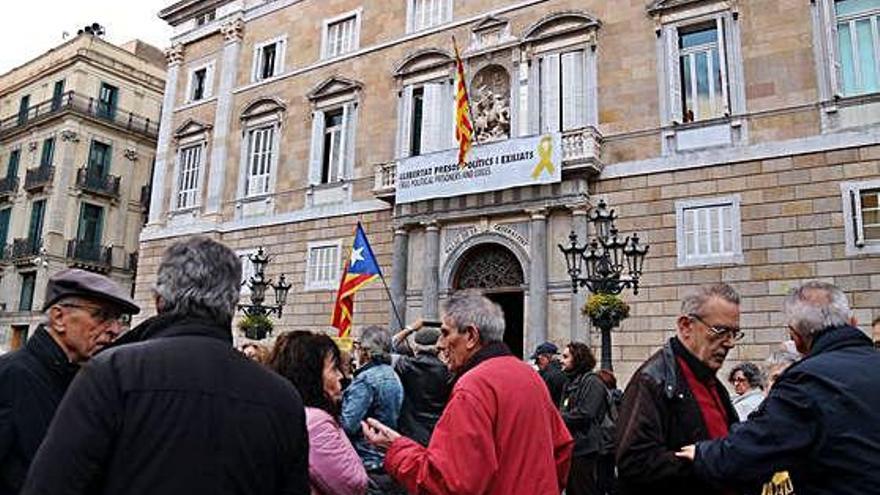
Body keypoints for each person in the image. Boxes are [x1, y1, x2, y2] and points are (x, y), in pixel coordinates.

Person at [22, 237, 310, 495]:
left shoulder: (112, 373)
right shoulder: (283, 397)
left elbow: (52, 483)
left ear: (160, 300)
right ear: (232, 305)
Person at [677, 281, 880, 495]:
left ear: (797, 339)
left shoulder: (806, 381)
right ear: (853, 322)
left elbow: (757, 445)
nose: (729, 343)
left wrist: (703, 453)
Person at [361, 291, 574, 495]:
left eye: (445, 333)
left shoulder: (474, 386)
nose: (441, 344)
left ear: (471, 336)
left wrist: (396, 450)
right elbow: (562, 447)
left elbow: (451, 483)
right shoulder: (530, 376)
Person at [0, 269, 138, 494]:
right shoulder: (10, 376)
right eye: (102, 315)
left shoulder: (89, 381)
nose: (115, 329)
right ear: (59, 318)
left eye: (119, 319)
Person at [616, 283, 741, 495]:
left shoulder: (711, 381)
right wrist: (703, 460)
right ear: (686, 326)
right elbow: (634, 463)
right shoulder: (652, 380)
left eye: (734, 333)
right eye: (720, 331)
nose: (729, 343)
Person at [269, 331, 368, 495]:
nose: (340, 377)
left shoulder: (281, 412)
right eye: (334, 368)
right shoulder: (315, 422)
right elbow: (354, 482)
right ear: (310, 375)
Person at [340, 325, 404, 494]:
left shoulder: (366, 380)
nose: (356, 351)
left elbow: (348, 424)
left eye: (358, 346)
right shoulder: (392, 374)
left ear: (366, 351)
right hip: (387, 459)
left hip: (366, 461)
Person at [392, 320, 451, 446]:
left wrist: (410, 328)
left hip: (409, 433)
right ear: (438, 346)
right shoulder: (449, 371)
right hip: (437, 435)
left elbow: (390, 345)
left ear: (415, 346)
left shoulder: (404, 365)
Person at [560, 342, 607, 495]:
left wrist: (557, 417)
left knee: (583, 489)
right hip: (573, 448)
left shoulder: (592, 382)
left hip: (586, 449)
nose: (562, 360)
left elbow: (586, 413)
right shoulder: (570, 382)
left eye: (566, 357)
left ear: (578, 359)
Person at [595, 369, 621, 495]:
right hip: (615, 442)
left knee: (600, 479)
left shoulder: (602, 398)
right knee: (610, 476)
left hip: (603, 442)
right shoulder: (621, 397)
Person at [533, 341, 568, 407]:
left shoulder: (547, 376)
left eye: (537, 361)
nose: (537, 364)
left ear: (543, 358)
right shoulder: (563, 372)